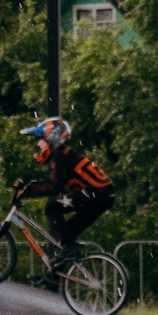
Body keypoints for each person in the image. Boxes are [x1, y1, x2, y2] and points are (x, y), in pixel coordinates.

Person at [14, 117, 114, 274]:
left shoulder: (60, 156)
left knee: (52, 207)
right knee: (68, 231)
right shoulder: (63, 154)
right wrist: (31, 187)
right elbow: (52, 182)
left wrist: (27, 190)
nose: (38, 144)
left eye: (40, 140)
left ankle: (68, 250)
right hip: (104, 195)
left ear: (51, 138)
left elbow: (53, 186)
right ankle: (58, 267)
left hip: (97, 192)